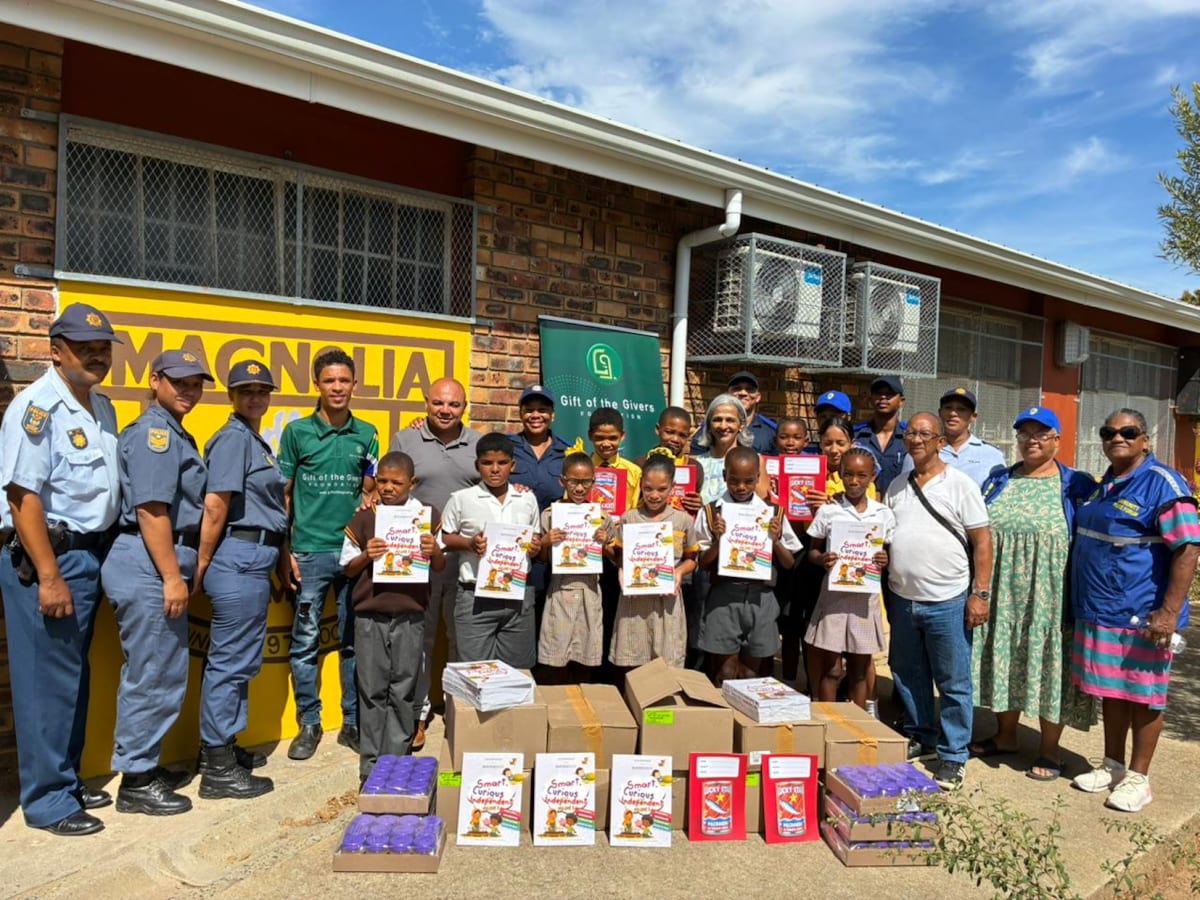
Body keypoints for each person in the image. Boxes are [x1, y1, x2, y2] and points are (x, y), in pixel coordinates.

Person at [0, 303, 121, 836]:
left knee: (72, 678)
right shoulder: (35, 409)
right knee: (46, 683)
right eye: (83, 346)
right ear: (55, 351)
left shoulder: (104, 407)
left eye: (103, 347)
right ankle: (48, 799)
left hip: (89, 555)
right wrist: (49, 575)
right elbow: (22, 495)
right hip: (47, 558)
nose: (97, 354)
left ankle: (65, 780)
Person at [1067, 409, 1200, 812]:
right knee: (1113, 691)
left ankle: (1139, 778)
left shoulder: (1162, 484)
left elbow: (1188, 548)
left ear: (1145, 439)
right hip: (1100, 610)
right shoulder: (1104, 483)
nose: (1117, 438)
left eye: (1128, 432)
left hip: (1142, 615)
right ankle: (1113, 765)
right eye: (1109, 432)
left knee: (1144, 695)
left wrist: (1167, 611)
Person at [102, 350, 212, 816]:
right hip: (151, 561)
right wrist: (172, 576)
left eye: (195, 383)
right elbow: (151, 510)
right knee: (154, 674)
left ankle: (141, 765)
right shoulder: (155, 435)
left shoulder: (171, 430)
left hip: (156, 559)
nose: (188, 390)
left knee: (158, 670)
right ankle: (136, 781)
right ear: (155, 381)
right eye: (179, 382)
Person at [969, 406, 1097, 780]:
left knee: (1049, 664)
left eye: (1041, 433)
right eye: (1024, 433)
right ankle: (1005, 735)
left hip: (1052, 596)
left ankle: (1049, 749)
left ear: (1057, 439)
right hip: (1004, 592)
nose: (1032, 440)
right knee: (1007, 658)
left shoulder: (1077, 485)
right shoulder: (998, 480)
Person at [279, 349, 379, 761]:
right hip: (309, 551)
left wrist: (369, 497)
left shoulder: (368, 432)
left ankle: (351, 722)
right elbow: (283, 496)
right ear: (317, 385)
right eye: (329, 381)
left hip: (352, 555)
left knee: (353, 642)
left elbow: (372, 487)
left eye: (344, 381)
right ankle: (309, 722)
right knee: (304, 643)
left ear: (354, 385)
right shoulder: (297, 432)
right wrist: (283, 552)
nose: (337, 388)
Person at [885, 412, 992, 791]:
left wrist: (980, 594)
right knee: (908, 673)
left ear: (940, 442)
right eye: (910, 433)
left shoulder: (960, 485)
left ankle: (953, 755)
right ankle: (922, 735)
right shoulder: (897, 485)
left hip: (948, 599)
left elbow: (982, 541)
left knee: (953, 681)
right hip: (903, 597)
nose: (916, 439)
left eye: (924, 434)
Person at [193, 359, 285, 800]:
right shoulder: (233, 440)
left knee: (239, 661)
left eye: (262, 391)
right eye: (246, 390)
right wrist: (203, 563)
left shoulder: (252, 439)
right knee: (231, 665)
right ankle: (217, 768)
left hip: (254, 554)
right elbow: (215, 505)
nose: (255, 398)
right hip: (238, 555)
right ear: (231, 395)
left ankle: (223, 746)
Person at [341, 452, 446, 783]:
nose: (387, 488)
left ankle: (396, 760)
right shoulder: (364, 518)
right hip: (370, 616)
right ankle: (370, 765)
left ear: (411, 483)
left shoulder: (427, 517)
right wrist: (365, 555)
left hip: (411, 616)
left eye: (396, 482)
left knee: (403, 687)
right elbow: (346, 567)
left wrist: (434, 550)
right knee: (371, 689)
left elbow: (440, 565)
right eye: (382, 481)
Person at [389, 377, 480, 750]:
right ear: (427, 403)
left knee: (462, 639)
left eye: (454, 405)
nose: (446, 410)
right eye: (439, 403)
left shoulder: (477, 444)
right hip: (420, 557)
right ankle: (419, 715)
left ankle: (463, 712)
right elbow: (388, 485)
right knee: (420, 641)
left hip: (466, 559)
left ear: (464, 407)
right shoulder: (406, 439)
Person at [695, 446, 801, 685]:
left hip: (761, 596)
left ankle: (747, 720)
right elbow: (702, 563)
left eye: (748, 481)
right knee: (724, 672)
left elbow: (789, 562)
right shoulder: (712, 512)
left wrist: (775, 542)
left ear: (758, 479)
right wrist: (720, 541)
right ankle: (724, 719)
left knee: (752, 673)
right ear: (724, 477)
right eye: (734, 481)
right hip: (724, 595)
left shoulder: (772, 513)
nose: (740, 487)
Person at [441, 432, 543, 666]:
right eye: (487, 463)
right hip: (475, 594)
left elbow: (534, 536)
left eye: (502, 463)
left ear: (513, 465)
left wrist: (534, 546)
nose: (494, 469)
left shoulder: (526, 499)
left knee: (517, 670)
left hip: (517, 594)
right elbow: (444, 537)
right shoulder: (462, 499)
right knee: (475, 669)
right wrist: (469, 543)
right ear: (477, 466)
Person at [805, 448, 893, 709]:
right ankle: (829, 721)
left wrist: (884, 560)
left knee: (859, 669)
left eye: (861, 475)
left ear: (872, 476)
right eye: (848, 474)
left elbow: (887, 553)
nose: (854, 481)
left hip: (865, 601)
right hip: (834, 598)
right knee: (832, 669)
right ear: (840, 474)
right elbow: (812, 550)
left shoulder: (882, 514)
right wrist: (822, 559)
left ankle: (859, 725)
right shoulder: (829, 511)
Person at [610, 453, 700, 671]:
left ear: (672, 487)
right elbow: (620, 556)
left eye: (662, 489)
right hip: (634, 604)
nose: (654, 495)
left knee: (666, 663)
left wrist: (679, 572)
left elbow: (692, 559)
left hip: (667, 603)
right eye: (648, 488)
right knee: (632, 661)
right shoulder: (629, 518)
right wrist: (621, 569)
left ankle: (662, 705)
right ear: (641, 485)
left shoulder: (683, 520)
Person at [537, 452, 614, 682]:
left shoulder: (600, 517)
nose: (579, 488)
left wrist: (604, 543)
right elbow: (542, 558)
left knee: (586, 657)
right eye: (573, 482)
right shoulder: (551, 515)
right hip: (560, 590)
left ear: (593, 481)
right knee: (556, 657)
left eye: (585, 482)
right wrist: (545, 542)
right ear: (562, 481)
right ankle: (561, 708)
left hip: (590, 591)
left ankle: (583, 708)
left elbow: (614, 557)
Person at [899, 388, 1005, 487]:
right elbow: (906, 490)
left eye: (961, 409)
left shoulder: (992, 455)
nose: (953, 413)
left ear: (973, 417)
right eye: (948, 408)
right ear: (940, 412)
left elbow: (997, 493)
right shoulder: (920, 449)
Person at [510, 385, 571, 511]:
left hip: (555, 526)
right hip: (517, 526)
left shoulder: (568, 452)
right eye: (529, 410)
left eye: (542, 410)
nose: (535, 415)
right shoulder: (506, 447)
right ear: (520, 414)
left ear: (553, 415)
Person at [692, 372, 776, 454]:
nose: (743, 393)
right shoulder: (707, 432)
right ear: (728, 394)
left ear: (758, 397)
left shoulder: (770, 432)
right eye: (737, 388)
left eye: (749, 389)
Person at [855, 375, 908, 494]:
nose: (883, 397)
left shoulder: (909, 437)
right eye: (878, 393)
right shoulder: (856, 436)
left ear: (901, 401)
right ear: (870, 400)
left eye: (890, 394)